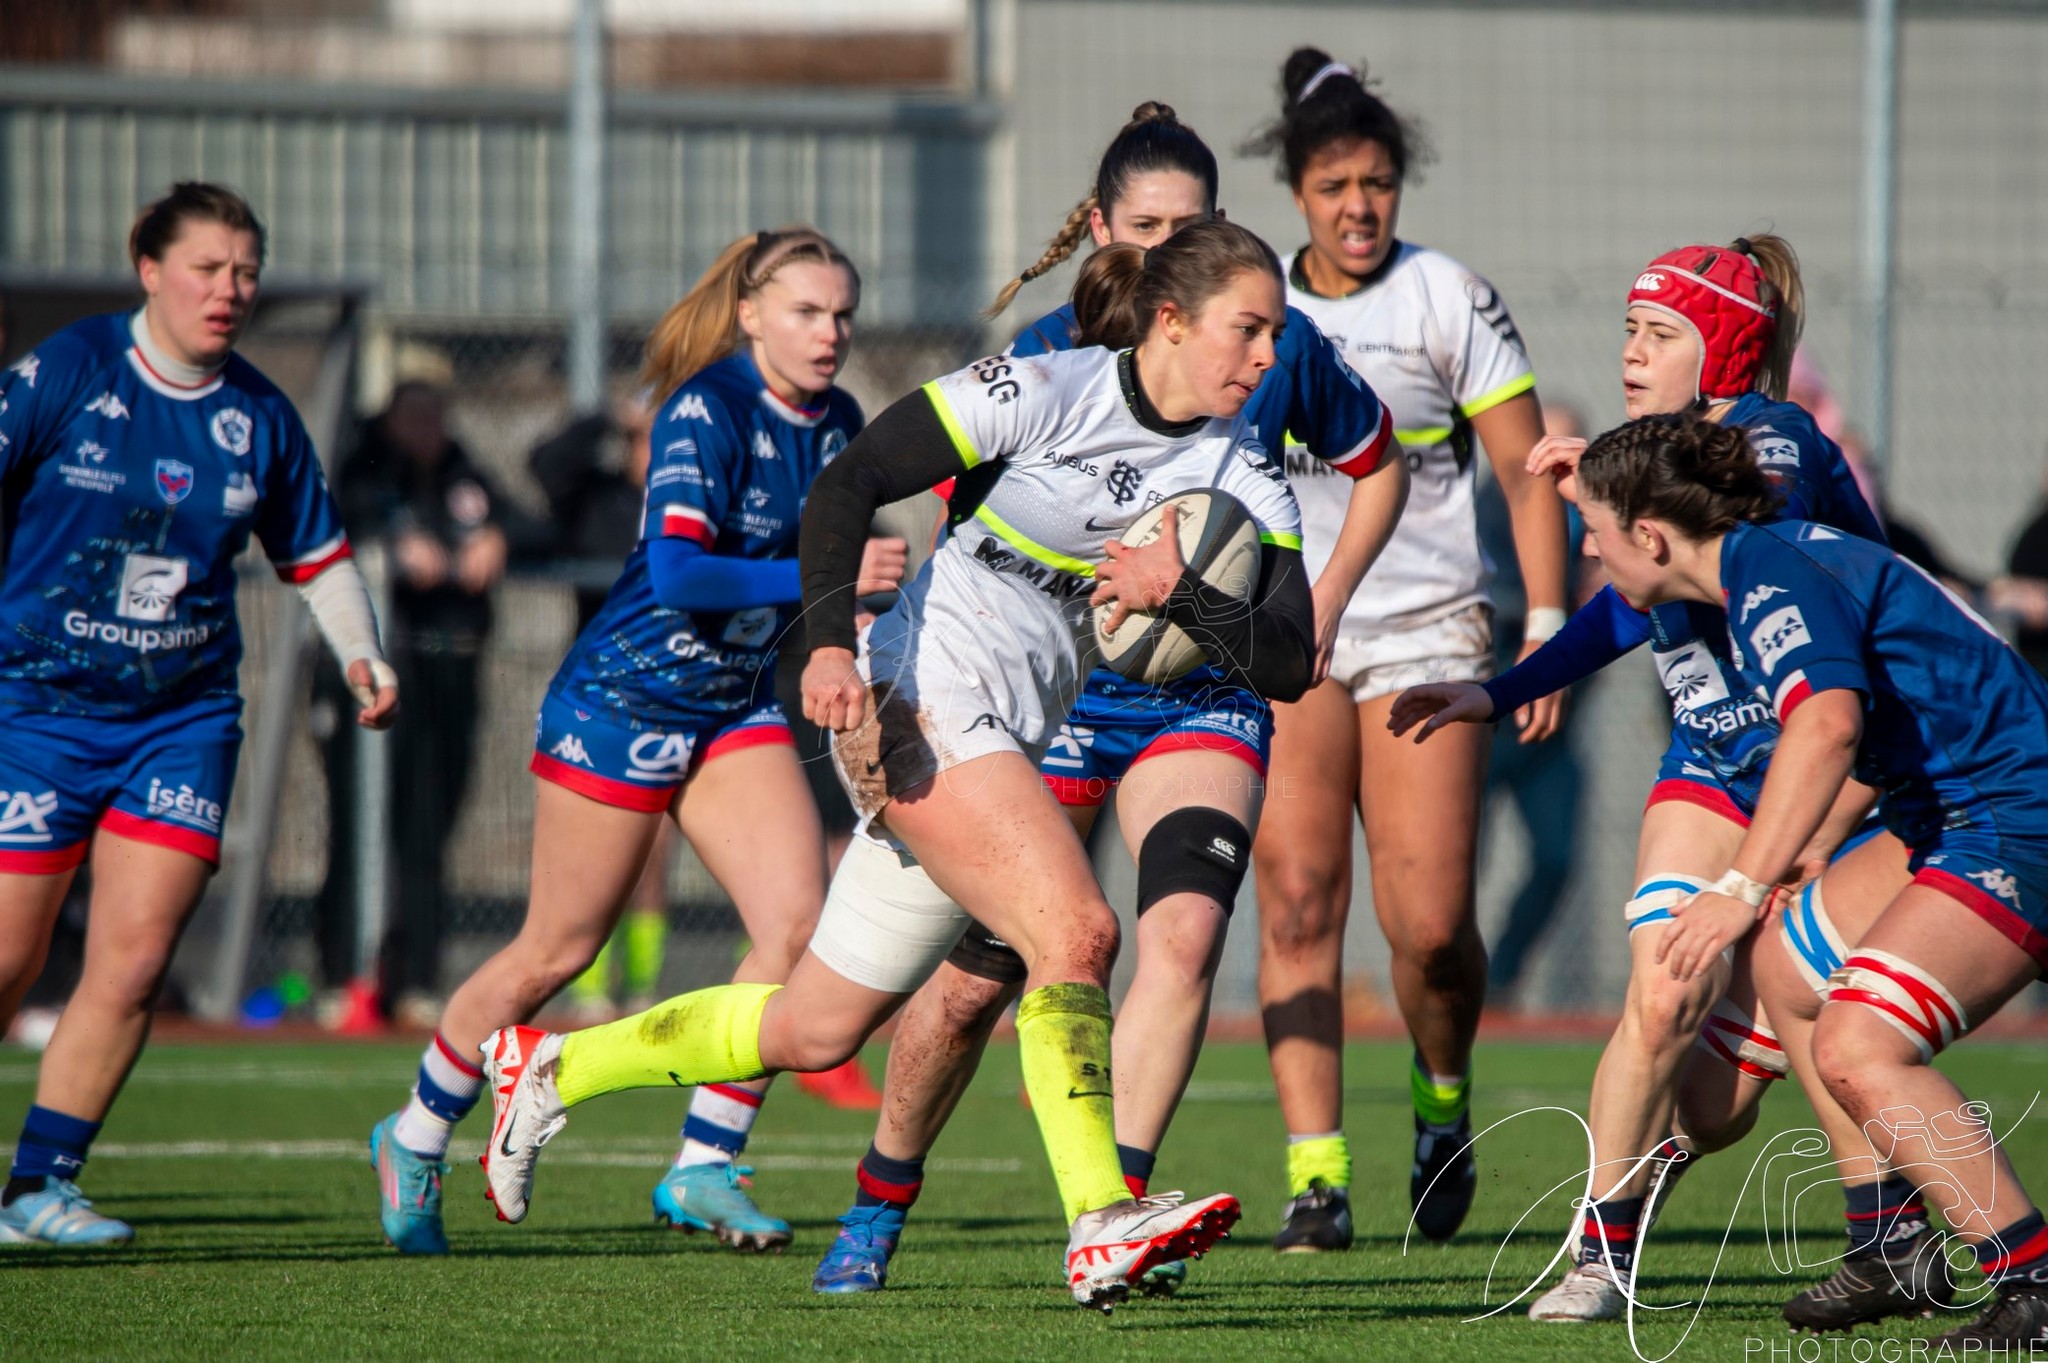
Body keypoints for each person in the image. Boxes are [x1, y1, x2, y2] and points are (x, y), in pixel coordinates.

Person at [476, 220, 1315, 1311]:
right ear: (1169, 321)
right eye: (1246, 331)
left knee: (811, 1024)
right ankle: (1099, 1217)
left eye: (1274, 337)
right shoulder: (1041, 391)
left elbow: (1290, 659)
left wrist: (1184, 594)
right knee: (1076, 931)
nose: (1262, 359)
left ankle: (550, 1070)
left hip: (1000, 739)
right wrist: (828, 641)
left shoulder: (1241, 466)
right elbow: (850, 480)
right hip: (911, 696)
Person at [806, 103, 1406, 1296]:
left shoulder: (1255, 401)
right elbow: (894, 503)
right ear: (1111, 239)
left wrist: (1240, 594)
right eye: (1148, 225)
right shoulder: (1044, 369)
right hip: (991, 693)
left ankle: (1110, 1215)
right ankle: (979, 1207)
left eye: (1193, 226)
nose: (1167, 244)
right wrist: (855, 669)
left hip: (1151, 695)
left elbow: (1303, 610)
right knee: (1011, 966)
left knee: (1160, 939)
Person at [367, 227, 903, 1256]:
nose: (829, 332)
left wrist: (860, 626)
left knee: (797, 927)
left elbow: (832, 582)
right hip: (620, 700)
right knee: (557, 952)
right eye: (805, 311)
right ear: (751, 315)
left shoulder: (839, 420)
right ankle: (419, 1133)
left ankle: (703, 1163)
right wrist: (826, 583)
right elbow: (681, 577)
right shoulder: (705, 408)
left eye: (841, 314)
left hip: (728, 707)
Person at [1391, 234, 1898, 1321]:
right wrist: (1503, 685)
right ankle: (1599, 1255)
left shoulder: (1773, 443)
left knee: (1769, 1062)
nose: (1629, 351)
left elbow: (1726, 531)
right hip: (1714, 765)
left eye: (1658, 333)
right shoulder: (1652, 458)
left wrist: (1609, 488)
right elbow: (1630, 596)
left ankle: (1886, 1244)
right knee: (1661, 990)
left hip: (1833, 779)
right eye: (1626, 328)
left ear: (1719, 353)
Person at [1586, 412, 2048, 1350]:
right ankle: (1891, 1243)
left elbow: (1828, 725)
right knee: (1791, 980)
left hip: (2014, 815)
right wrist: (1802, 850)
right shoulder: (1763, 562)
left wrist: (1740, 885)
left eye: (1594, 537)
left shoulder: (1769, 575)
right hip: (1945, 815)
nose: (1594, 561)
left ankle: (2030, 1274)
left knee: (1857, 1045)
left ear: (1647, 533)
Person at [0, 182, 397, 1245]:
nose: (230, 290)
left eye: (245, 272)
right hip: (33, 711)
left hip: (180, 719)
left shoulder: (259, 413)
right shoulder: (66, 373)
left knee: (132, 962)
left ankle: (42, 1186)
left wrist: (360, 652)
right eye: (207, 268)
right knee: (7, 958)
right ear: (148, 267)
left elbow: (315, 553)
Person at [1239, 48, 1571, 1249]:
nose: (1360, 205)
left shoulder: (1448, 297)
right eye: (1335, 184)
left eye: (1378, 181)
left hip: (1428, 630)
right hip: (1291, 636)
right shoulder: (1253, 301)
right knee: (1292, 899)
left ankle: (1440, 1105)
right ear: (1296, 193)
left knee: (1429, 928)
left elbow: (1528, 475)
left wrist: (1539, 628)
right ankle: (1315, 1180)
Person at [322, 380, 511, 1027]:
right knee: (360, 825)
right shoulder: (363, 465)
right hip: (373, 672)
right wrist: (389, 549)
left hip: (449, 674)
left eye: (439, 414)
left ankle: (417, 979)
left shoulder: (463, 470)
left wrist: (498, 538)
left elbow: (530, 521)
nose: (430, 428)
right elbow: (330, 529)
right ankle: (344, 974)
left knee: (429, 830)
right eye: (417, 415)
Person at [1478, 400, 1592, 1000]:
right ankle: (1456, 980)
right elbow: (1490, 593)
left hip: (1554, 726)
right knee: (1455, 868)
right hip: (1491, 712)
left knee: (1556, 856)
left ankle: (1502, 976)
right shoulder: (1490, 505)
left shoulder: (1599, 513)